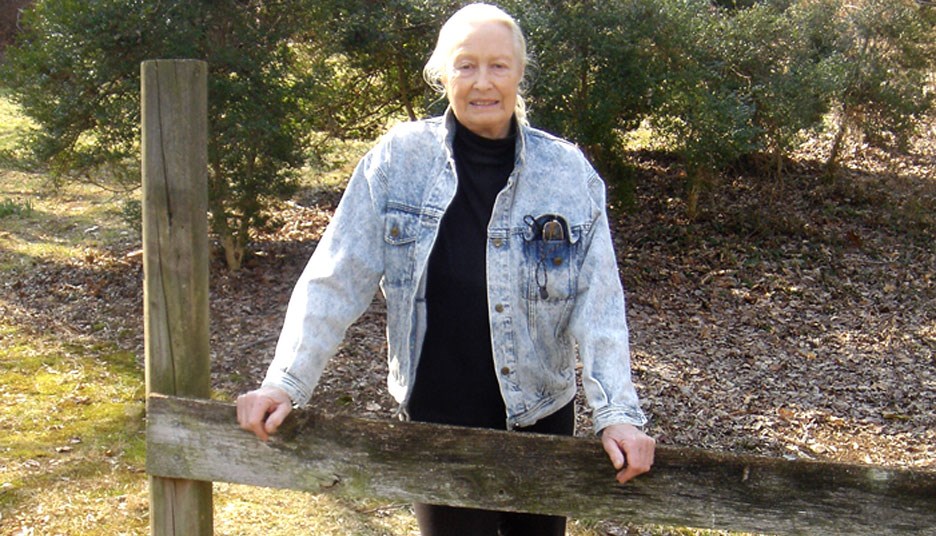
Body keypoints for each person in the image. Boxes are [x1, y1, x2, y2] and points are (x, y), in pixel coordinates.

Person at [236, 3, 655, 535]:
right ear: (443, 75)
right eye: (466, 65)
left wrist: (618, 415)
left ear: (520, 73)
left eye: (498, 66)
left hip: (539, 419)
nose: (483, 82)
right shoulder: (398, 161)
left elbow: (599, 305)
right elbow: (334, 279)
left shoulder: (566, 173)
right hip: (436, 425)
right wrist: (283, 384)